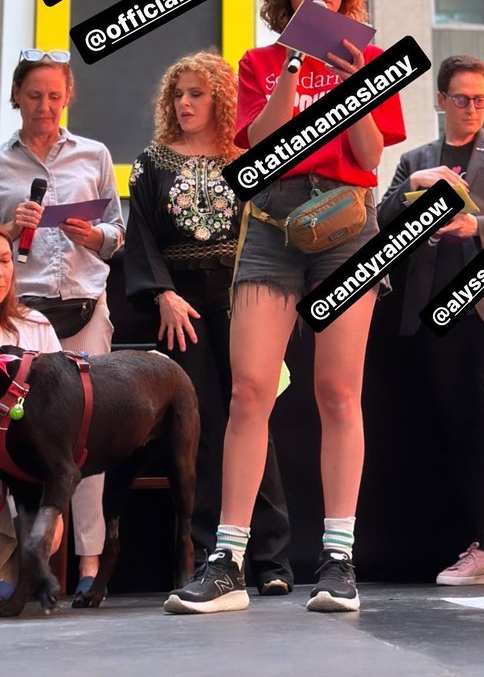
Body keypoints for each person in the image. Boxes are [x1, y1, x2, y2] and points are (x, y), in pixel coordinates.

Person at [165, 0, 406, 615]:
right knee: (248, 391)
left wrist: (355, 80)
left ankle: (338, 559)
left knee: (336, 392)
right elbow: (257, 144)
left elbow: (370, 154)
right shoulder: (259, 61)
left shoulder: (371, 59)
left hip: (345, 227)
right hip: (272, 227)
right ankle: (228, 560)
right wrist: (295, 71)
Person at [124, 51, 293, 594]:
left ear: (220, 98)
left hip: (245, 295)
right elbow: (142, 239)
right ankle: (210, 557)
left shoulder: (246, 153)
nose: (185, 103)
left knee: (253, 422)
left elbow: (273, 224)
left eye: (197, 93)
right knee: (197, 431)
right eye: (179, 94)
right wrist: (163, 296)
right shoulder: (152, 161)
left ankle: (271, 560)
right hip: (183, 308)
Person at [377, 55, 484, 588]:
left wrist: (478, 225)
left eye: (480, 98)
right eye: (462, 99)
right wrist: (412, 193)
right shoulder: (417, 158)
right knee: (460, 427)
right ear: (441, 100)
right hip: (435, 312)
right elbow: (380, 221)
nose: (473, 108)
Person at [0, 49, 124, 602]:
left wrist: (94, 237)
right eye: (33, 96)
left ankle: (90, 559)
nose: (44, 106)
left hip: (83, 310)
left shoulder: (94, 154)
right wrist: (7, 228)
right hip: (18, 319)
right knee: (11, 441)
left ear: (67, 97)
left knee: (85, 443)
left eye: (54, 96)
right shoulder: (1, 161)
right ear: (15, 98)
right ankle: (15, 562)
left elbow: (117, 234)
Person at [0, 226, 64, 601]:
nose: (0, 273)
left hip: (30, 457)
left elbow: (61, 407)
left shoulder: (35, 325)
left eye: (5, 261)